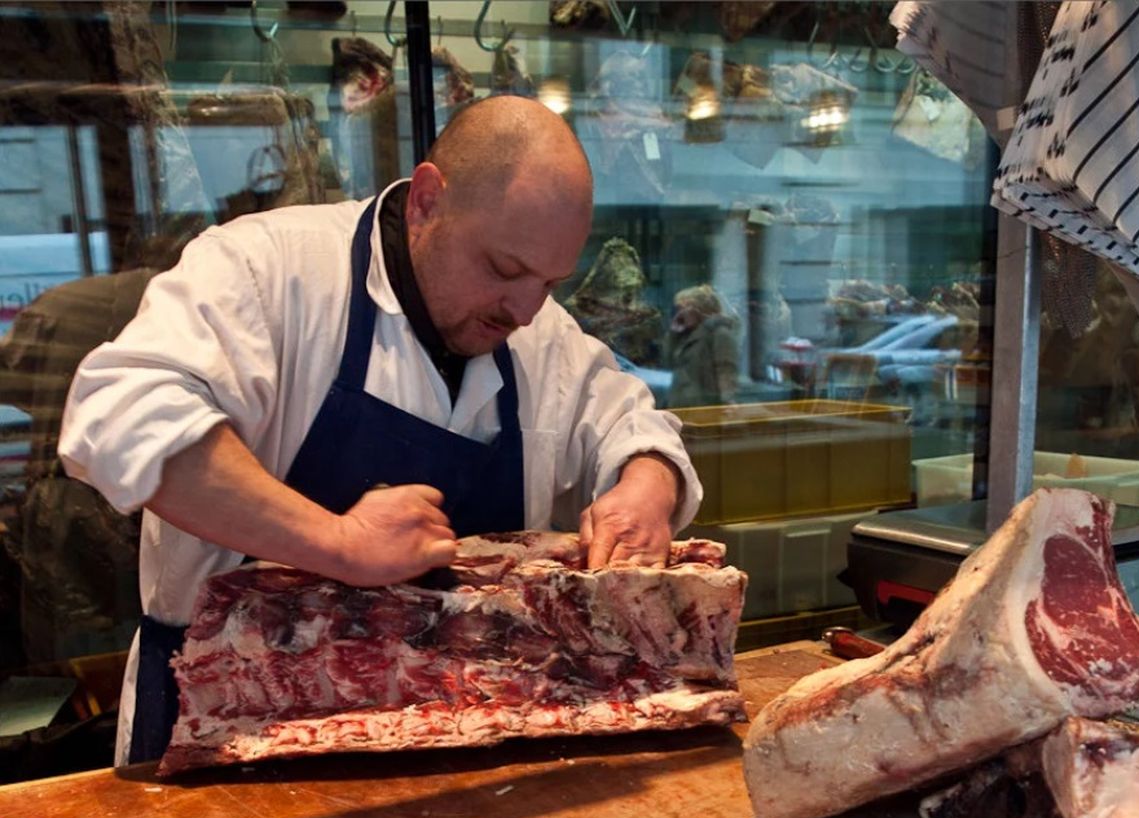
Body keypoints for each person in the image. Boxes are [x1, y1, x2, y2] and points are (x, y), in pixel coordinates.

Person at [57, 97, 702, 766]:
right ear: (426, 200)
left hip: (470, 735)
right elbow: (124, 411)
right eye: (505, 271)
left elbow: (634, 421)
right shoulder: (270, 271)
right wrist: (336, 542)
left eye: (551, 281)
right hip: (232, 730)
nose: (527, 310)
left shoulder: (538, 334)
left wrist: (646, 487)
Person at [664, 284, 740, 409]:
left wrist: (728, 399)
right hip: (681, 405)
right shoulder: (685, 335)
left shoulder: (719, 333)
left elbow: (726, 369)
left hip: (703, 406)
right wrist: (673, 334)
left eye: (684, 308)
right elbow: (668, 362)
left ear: (699, 309)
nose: (680, 313)